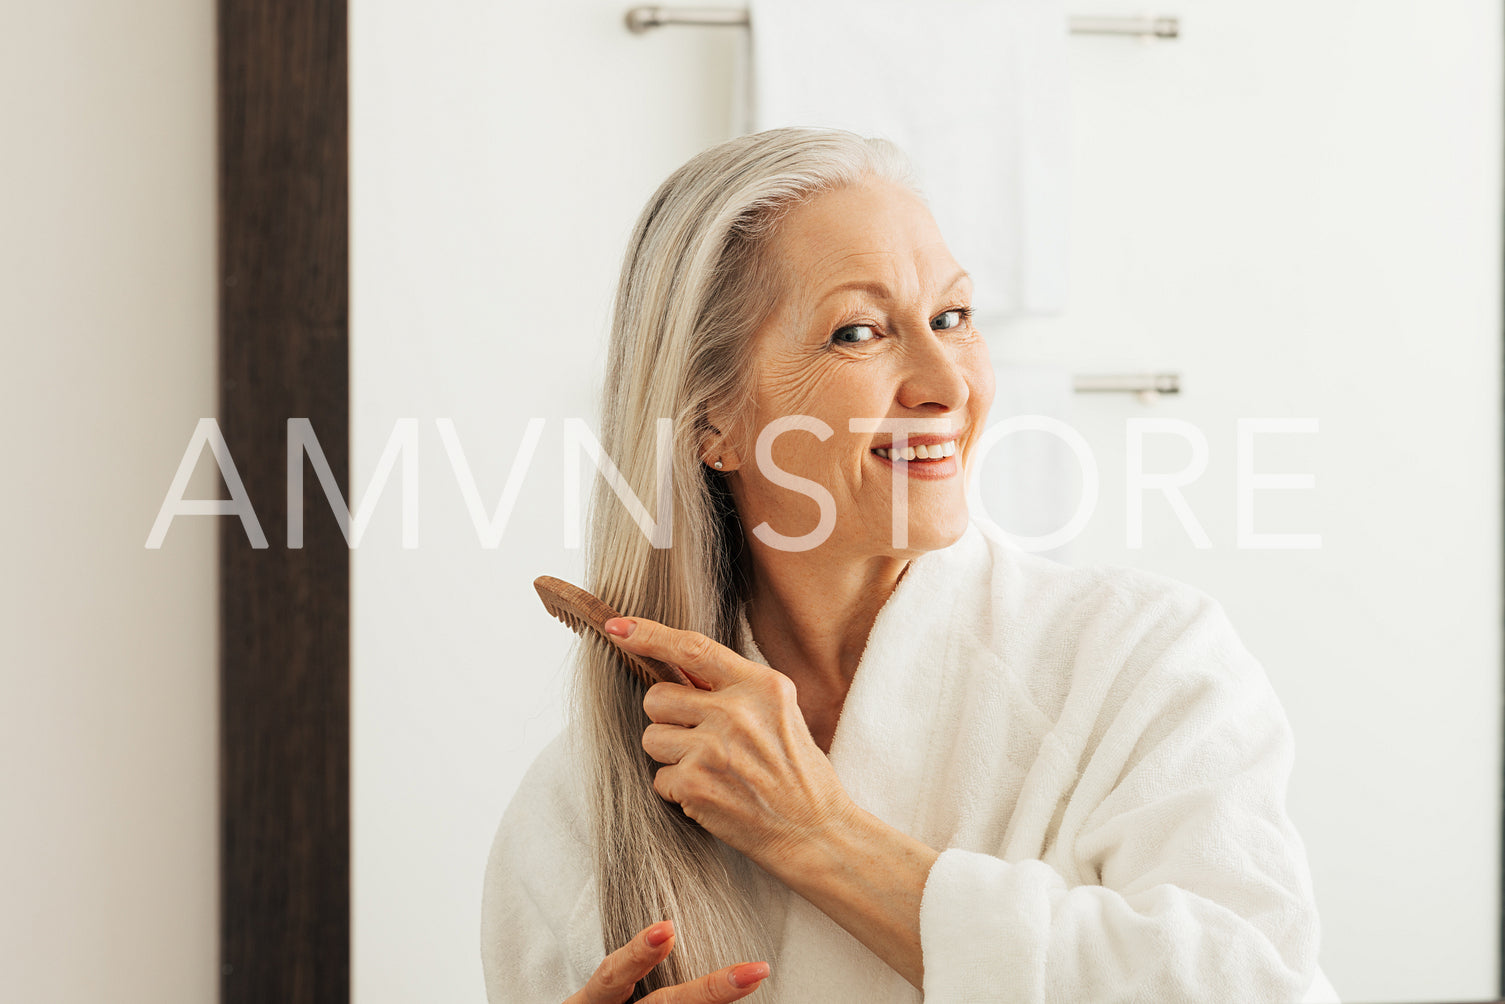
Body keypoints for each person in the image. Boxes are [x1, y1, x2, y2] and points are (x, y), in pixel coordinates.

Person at [480, 127, 1334, 1003]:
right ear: (711, 422)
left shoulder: (1142, 662)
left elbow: (1260, 987)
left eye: (952, 318)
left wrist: (822, 837)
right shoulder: (586, 804)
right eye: (858, 332)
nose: (946, 382)